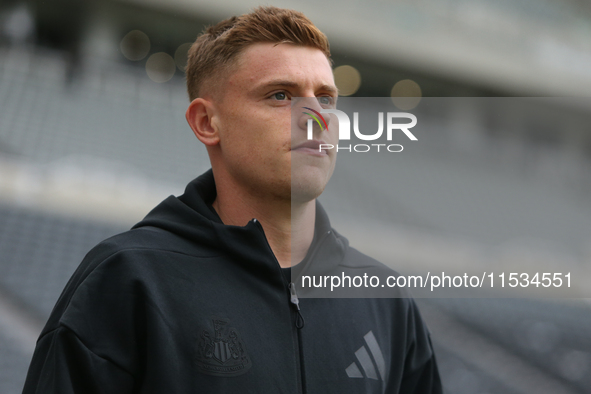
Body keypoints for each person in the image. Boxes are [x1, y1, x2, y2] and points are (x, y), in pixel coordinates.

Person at [23, 6, 441, 393]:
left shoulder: (383, 298)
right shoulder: (127, 281)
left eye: (326, 98)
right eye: (280, 95)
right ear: (207, 122)